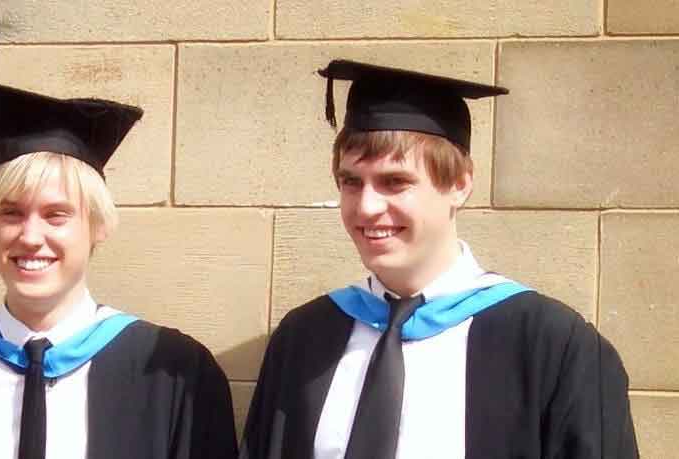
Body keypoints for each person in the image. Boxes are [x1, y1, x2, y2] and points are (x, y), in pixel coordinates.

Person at [239, 60, 638, 459]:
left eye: (395, 182)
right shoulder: (304, 340)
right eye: (351, 182)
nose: (367, 206)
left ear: (459, 185)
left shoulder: (556, 347)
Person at [0, 82, 238, 459]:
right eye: (11, 213)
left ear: (98, 227)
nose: (30, 237)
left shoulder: (176, 374)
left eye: (56, 215)